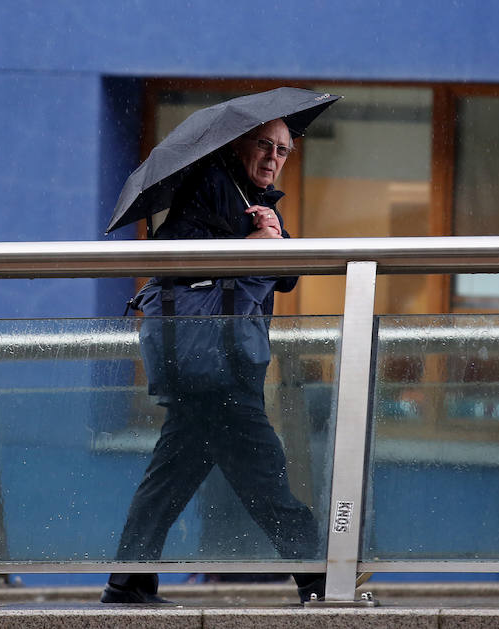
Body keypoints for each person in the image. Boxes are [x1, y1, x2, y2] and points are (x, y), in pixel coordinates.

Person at [102, 118, 326, 605]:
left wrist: (275, 237)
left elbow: (286, 279)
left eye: (283, 150)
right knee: (263, 471)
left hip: (220, 360)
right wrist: (252, 246)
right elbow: (172, 258)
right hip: (213, 359)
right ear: (240, 144)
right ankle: (324, 576)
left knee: (173, 474)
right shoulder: (207, 186)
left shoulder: (260, 201)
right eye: (264, 145)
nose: (274, 158)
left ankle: (128, 582)